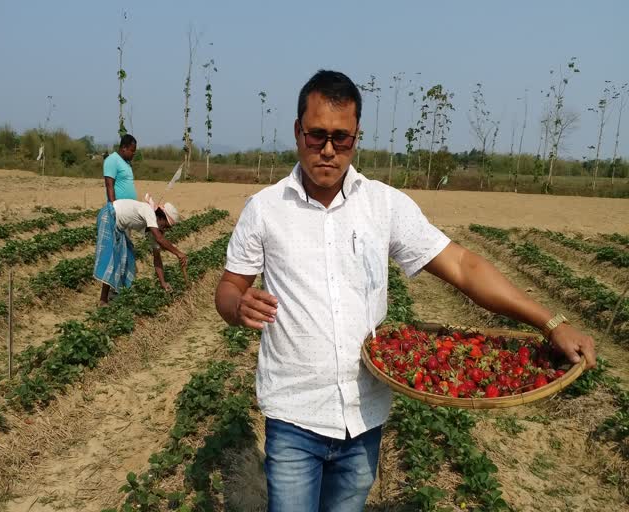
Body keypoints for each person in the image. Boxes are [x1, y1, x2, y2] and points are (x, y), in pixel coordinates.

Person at [214, 69, 596, 512]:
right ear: (298, 131)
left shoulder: (383, 205)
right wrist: (237, 304)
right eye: (317, 135)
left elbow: (464, 266)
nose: (329, 149)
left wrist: (552, 323)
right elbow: (228, 288)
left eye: (343, 137)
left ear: (358, 137)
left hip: (364, 417)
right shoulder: (265, 209)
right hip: (293, 414)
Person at [94, 195, 188, 306]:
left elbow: (157, 258)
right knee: (112, 258)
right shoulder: (149, 211)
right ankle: (103, 300)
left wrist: (163, 282)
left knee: (126, 257)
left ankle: (115, 291)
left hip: (118, 226)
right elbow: (160, 239)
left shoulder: (153, 229)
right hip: (109, 215)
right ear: (160, 217)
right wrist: (178, 253)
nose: (164, 229)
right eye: (165, 226)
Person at [103, 134, 138, 202]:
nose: (134, 153)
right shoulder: (112, 160)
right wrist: (113, 207)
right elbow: (109, 186)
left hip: (130, 207)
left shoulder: (127, 163)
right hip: (120, 208)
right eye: (132, 151)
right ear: (124, 148)